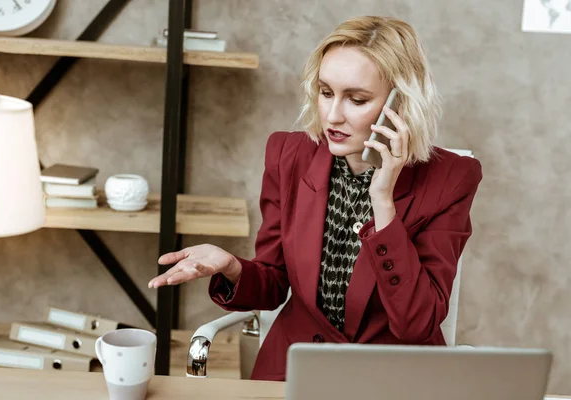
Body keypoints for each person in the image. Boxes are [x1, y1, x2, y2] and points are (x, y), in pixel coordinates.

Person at [148, 15, 482, 381]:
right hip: (296, 371)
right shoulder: (288, 155)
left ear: (400, 103)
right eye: (326, 93)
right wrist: (231, 266)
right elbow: (274, 282)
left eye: (356, 99)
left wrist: (383, 201)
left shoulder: (451, 179)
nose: (333, 115)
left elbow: (417, 323)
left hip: (392, 379)